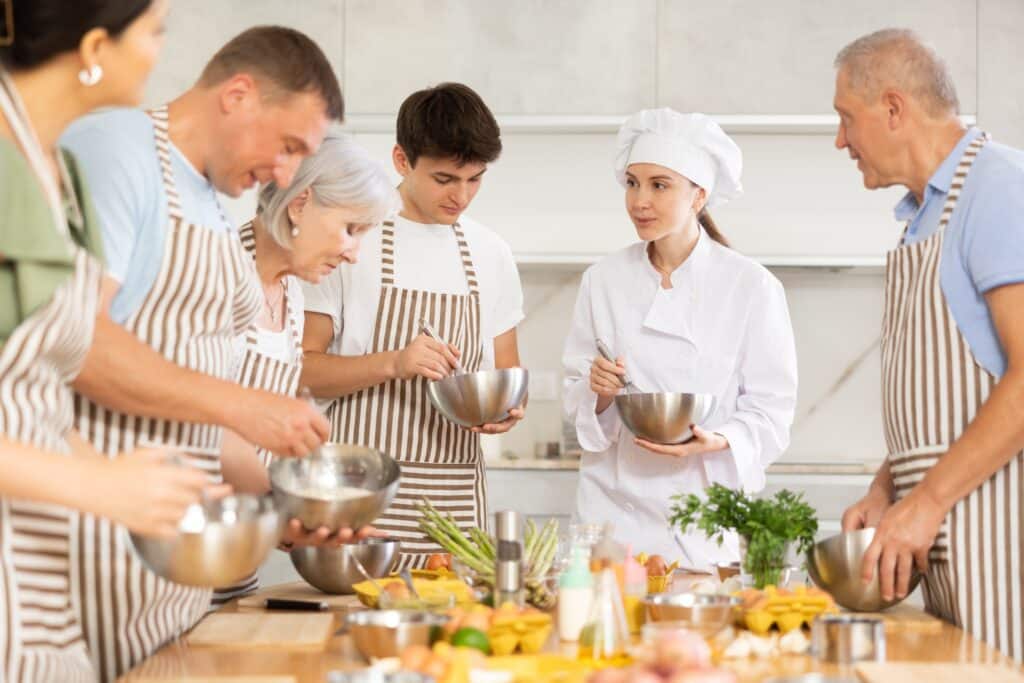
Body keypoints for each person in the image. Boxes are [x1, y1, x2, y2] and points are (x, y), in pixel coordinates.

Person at [59, 26, 342, 679]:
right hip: (94, 552)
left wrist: (284, 512)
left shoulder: (212, 203)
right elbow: (78, 340)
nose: (285, 175)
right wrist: (244, 404)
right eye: (289, 146)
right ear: (237, 95)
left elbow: (205, 420)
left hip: (171, 572)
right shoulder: (114, 152)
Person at [0, 1, 213, 680]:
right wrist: (94, 483)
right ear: (95, 46)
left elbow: (34, 402)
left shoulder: (61, 175)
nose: (160, 51)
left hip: (38, 578)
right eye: (153, 32)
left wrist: (155, 490)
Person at [833, 29, 1024, 662]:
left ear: (893, 108)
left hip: (1002, 542)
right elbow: (951, 406)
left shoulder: (998, 190)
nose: (840, 140)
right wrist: (888, 487)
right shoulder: (924, 215)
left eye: (846, 118)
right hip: (951, 543)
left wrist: (928, 500)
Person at [301, 82, 526, 568]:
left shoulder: (492, 253)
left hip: (452, 504)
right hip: (359, 496)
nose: (461, 196)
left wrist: (507, 411)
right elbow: (300, 370)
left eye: (475, 179)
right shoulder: (349, 239)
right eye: (445, 179)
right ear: (401, 160)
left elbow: (507, 374)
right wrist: (394, 363)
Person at [562, 108, 798, 566]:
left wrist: (719, 439)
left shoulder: (751, 286)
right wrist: (600, 392)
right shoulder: (602, 280)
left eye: (659, 185)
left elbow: (771, 410)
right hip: (611, 517)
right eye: (632, 183)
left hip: (699, 522)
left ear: (699, 195)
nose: (639, 201)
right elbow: (578, 401)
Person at [212, 129, 400, 606]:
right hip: (182, 546)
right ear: (300, 204)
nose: (354, 253)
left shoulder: (292, 295)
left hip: (239, 553)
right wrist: (287, 516)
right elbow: (206, 424)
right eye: (350, 229)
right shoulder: (218, 274)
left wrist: (313, 505)